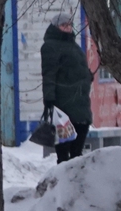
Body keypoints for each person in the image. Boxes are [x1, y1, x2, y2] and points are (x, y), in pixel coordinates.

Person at [40, 12, 93, 162]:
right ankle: (63, 178)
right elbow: (49, 74)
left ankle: (74, 179)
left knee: (78, 148)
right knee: (64, 151)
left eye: (69, 25)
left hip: (80, 102)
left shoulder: (73, 45)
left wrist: (86, 76)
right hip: (63, 104)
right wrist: (49, 99)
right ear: (56, 27)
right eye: (64, 25)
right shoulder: (51, 46)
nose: (68, 28)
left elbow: (75, 69)